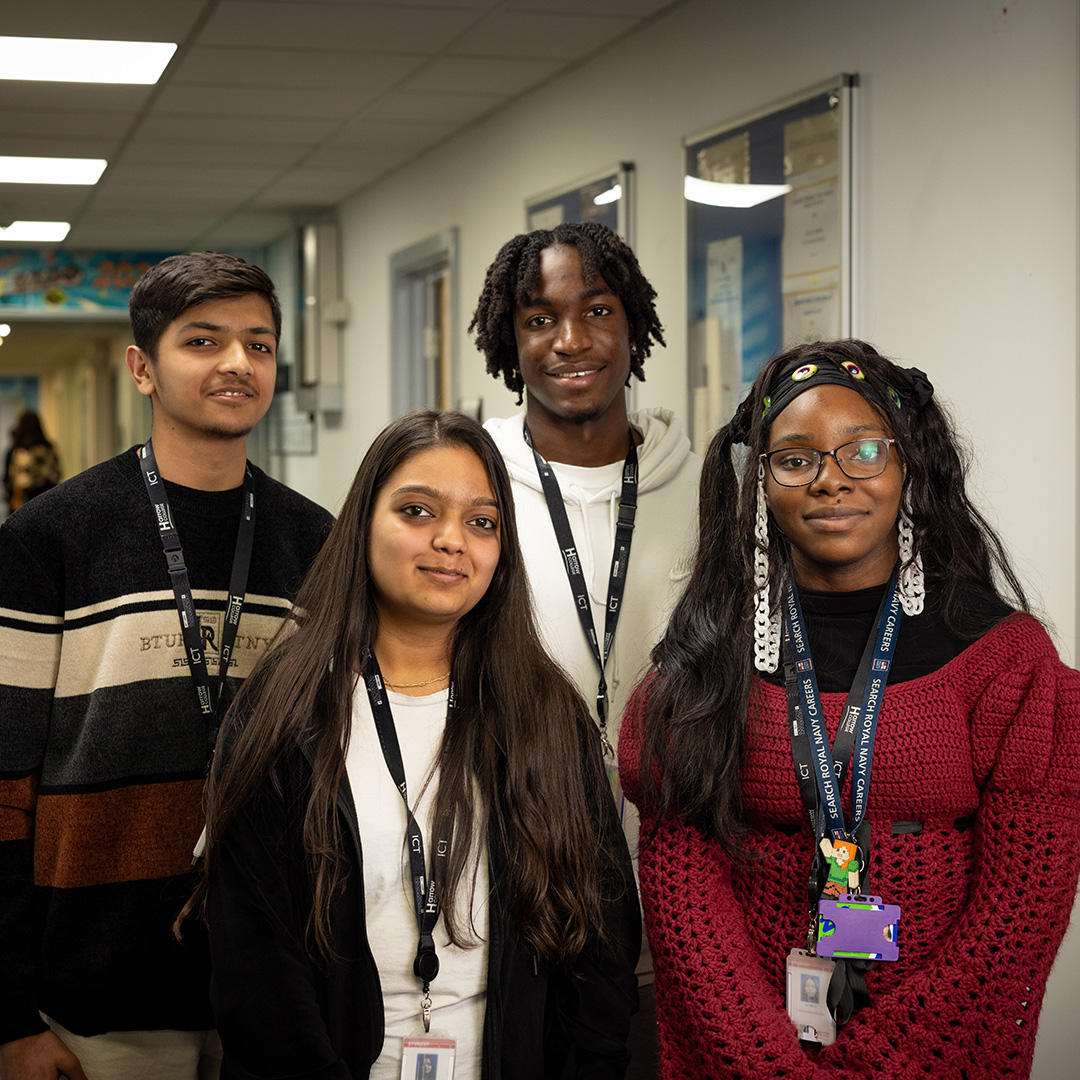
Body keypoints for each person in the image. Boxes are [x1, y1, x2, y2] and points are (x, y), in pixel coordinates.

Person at [620, 339, 1080, 1078]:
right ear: (762, 482)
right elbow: (683, 900)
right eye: (796, 458)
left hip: (944, 1055)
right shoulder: (706, 666)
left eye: (862, 451)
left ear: (907, 466)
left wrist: (893, 1062)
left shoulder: (1005, 660)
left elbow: (1021, 910)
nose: (830, 481)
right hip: (744, 1054)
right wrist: (764, 1063)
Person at [194, 411, 640, 1079]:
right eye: (417, 511)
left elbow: (600, 946)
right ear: (363, 525)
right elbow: (257, 979)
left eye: (482, 522)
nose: (451, 541)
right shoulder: (282, 715)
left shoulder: (544, 714)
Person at [0, 252, 334, 1080]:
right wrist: (7, 1015)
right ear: (142, 368)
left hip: (276, 980)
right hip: (93, 990)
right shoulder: (49, 538)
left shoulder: (317, 543)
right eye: (204, 341)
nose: (236, 364)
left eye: (258, 345)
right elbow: (3, 789)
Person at [470, 223, 700, 1076]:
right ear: (508, 338)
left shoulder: (714, 488)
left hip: (679, 894)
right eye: (539, 318)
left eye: (596, 311)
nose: (570, 341)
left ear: (632, 326)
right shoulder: (467, 481)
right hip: (508, 894)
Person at [4, 410, 60, 514]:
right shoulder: (48, 448)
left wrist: (13, 499)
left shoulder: (21, 451)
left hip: (25, 502)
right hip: (48, 499)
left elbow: (18, 481)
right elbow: (56, 474)